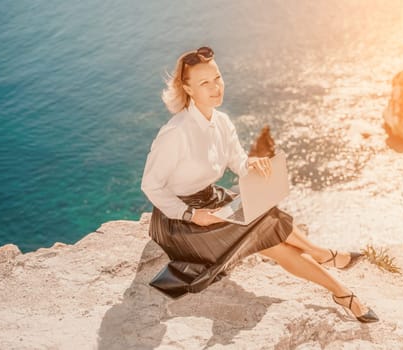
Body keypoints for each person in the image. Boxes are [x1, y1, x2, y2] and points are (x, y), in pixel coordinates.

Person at [140, 46, 378, 323]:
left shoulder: (222, 121)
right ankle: (330, 269)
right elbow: (150, 185)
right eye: (205, 83)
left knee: (268, 227)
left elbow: (235, 160)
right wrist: (192, 215)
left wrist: (250, 164)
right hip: (181, 224)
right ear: (188, 89)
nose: (216, 87)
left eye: (218, 78)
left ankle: (339, 286)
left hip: (212, 203)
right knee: (268, 229)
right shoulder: (175, 133)